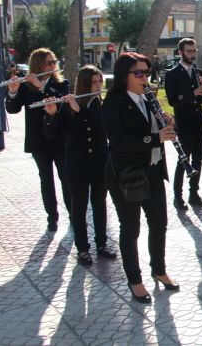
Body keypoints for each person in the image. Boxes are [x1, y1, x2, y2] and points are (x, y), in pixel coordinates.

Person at [102, 52, 179, 303]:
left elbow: (153, 129)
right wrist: (154, 138)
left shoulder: (148, 97)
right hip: (127, 174)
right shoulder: (113, 102)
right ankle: (134, 280)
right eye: (139, 73)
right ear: (124, 75)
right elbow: (119, 141)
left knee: (159, 223)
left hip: (153, 170)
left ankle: (159, 270)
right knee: (131, 228)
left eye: (147, 72)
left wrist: (166, 123)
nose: (145, 77)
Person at [42, 65, 116, 266]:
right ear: (84, 84)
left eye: (100, 82)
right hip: (76, 163)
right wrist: (50, 114)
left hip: (100, 162)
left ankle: (102, 244)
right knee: (79, 206)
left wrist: (80, 110)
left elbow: (102, 126)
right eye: (94, 82)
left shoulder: (104, 105)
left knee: (100, 204)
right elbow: (52, 133)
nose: (98, 86)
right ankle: (82, 248)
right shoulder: (68, 105)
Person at [5, 48, 70, 232]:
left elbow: (62, 101)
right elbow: (13, 109)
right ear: (38, 64)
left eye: (54, 62)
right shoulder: (26, 86)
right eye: (48, 63)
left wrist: (42, 86)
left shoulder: (61, 83)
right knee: (46, 179)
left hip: (59, 138)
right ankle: (52, 217)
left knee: (65, 177)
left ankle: (73, 213)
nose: (52, 66)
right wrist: (12, 92)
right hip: (38, 141)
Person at [164, 38, 202, 211]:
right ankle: (178, 196)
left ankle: (194, 193)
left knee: (198, 159)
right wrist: (194, 92)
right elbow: (173, 100)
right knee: (184, 160)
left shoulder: (199, 72)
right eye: (189, 51)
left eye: (194, 50)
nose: (193, 54)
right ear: (180, 53)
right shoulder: (172, 74)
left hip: (199, 122)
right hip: (184, 123)